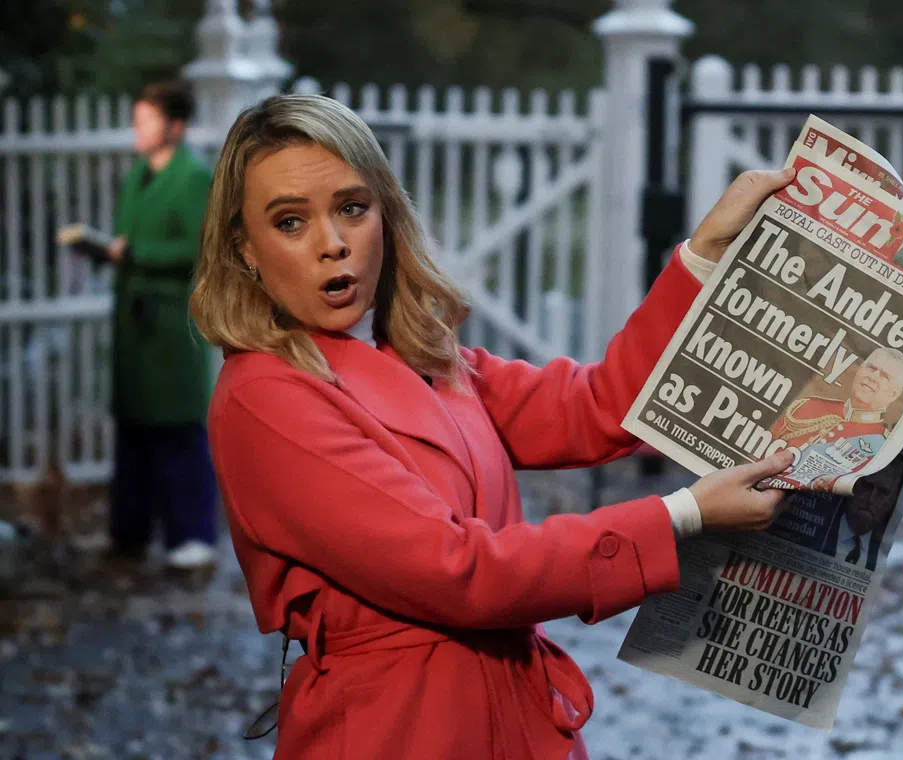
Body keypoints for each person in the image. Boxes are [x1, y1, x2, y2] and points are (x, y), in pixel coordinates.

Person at [190, 94, 798, 759]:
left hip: (509, 713)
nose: (332, 243)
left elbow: (597, 407)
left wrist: (706, 253)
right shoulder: (264, 397)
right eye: (290, 221)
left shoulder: (418, 355)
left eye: (352, 208)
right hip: (395, 730)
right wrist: (683, 515)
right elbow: (461, 573)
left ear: (386, 214)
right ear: (244, 248)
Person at [104, 80, 219, 571]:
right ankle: (129, 531)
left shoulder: (193, 177)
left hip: (170, 322)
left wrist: (137, 254)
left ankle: (192, 532)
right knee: (134, 426)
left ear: (175, 126)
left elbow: (200, 249)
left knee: (176, 427)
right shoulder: (138, 175)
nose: (138, 128)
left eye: (147, 120)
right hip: (134, 319)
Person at [771, 347, 903, 484]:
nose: (873, 376)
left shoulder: (881, 446)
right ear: (859, 370)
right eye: (871, 368)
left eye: (885, 376)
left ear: (894, 394)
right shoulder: (807, 406)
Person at [818, 458, 903, 571]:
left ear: (892, 502)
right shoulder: (817, 527)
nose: (871, 499)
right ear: (852, 486)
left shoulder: (894, 555)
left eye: (883, 493)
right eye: (867, 486)